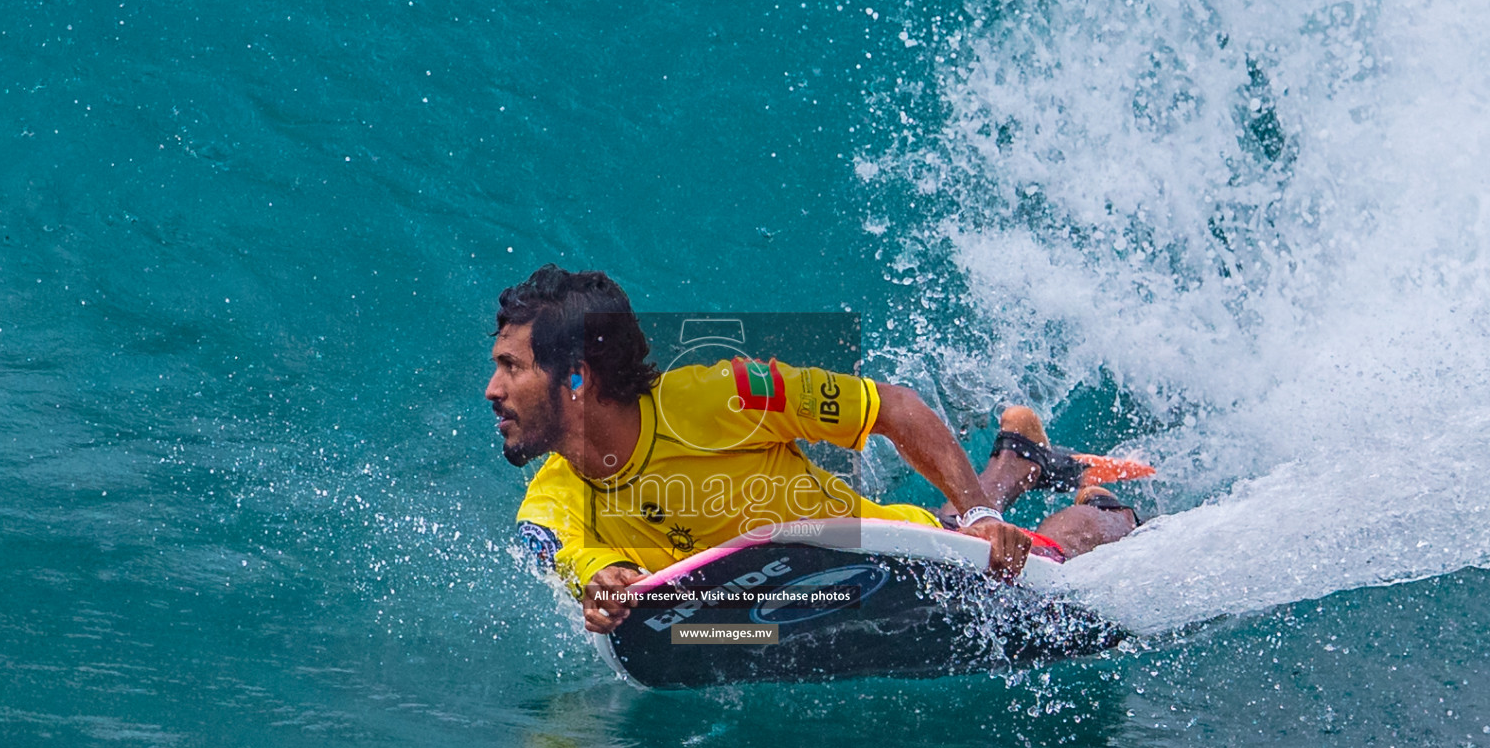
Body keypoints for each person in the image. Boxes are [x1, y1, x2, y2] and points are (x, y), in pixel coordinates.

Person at [487, 264, 1149, 634]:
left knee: (1038, 564)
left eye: (512, 368)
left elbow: (893, 408)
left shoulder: (722, 397)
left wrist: (980, 520)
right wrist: (598, 585)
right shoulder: (553, 498)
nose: (493, 389)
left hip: (899, 556)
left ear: (578, 378)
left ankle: (1111, 510)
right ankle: (1017, 458)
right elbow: (559, 552)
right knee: (962, 522)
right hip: (788, 587)